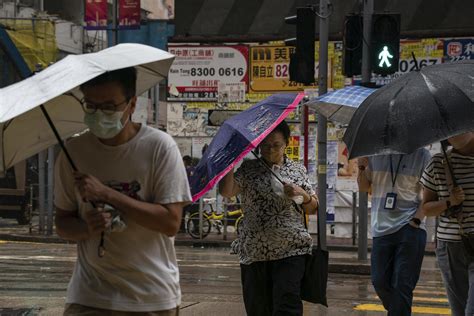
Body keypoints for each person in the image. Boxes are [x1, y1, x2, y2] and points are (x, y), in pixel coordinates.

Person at [54, 67, 191, 315]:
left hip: (152, 299)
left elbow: (171, 222)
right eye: (91, 106)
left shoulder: (159, 147)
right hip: (89, 297)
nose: (99, 114)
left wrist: (107, 194)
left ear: (131, 104)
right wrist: (86, 228)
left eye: (108, 106)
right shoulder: (73, 152)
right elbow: (62, 221)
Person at [219, 120, 318, 316]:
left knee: (287, 308)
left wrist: (301, 194)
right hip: (255, 251)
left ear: (286, 144)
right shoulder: (248, 169)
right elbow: (226, 191)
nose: (270, 150)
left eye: (276, 145)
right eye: (265, 145)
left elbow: (313, 207)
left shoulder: (297, 170)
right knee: (258, 309)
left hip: (291, 249)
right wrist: (229, 164)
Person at [357, 147, 431, 316]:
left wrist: (416, 220)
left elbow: (430, 192)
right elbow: (363, 187)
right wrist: (361, 167)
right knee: (379, 281)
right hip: (381, 228)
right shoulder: (374, 153)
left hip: (410, 227)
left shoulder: (421, 155)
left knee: (402, 284)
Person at [421, 132, 474, 316]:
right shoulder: (437, 163)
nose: (455, 135)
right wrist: (449, 201)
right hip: (450, 244)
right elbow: (426, 208)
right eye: (450, 132)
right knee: (459, 310)